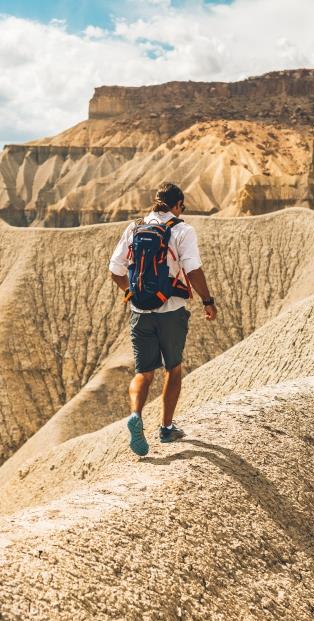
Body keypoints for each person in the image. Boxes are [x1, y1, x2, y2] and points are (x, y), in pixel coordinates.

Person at [108, 182, 218, 456]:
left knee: (143, 373)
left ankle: (135, 415)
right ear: (178, 205)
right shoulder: (182, 230)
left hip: (140, 312)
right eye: (183, 206)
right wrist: (207, 300)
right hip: (171, 311)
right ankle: (166, 428)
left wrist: (132, 294)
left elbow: (115, 270)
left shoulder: (134, 228)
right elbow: (193, 270)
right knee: (173, 368)